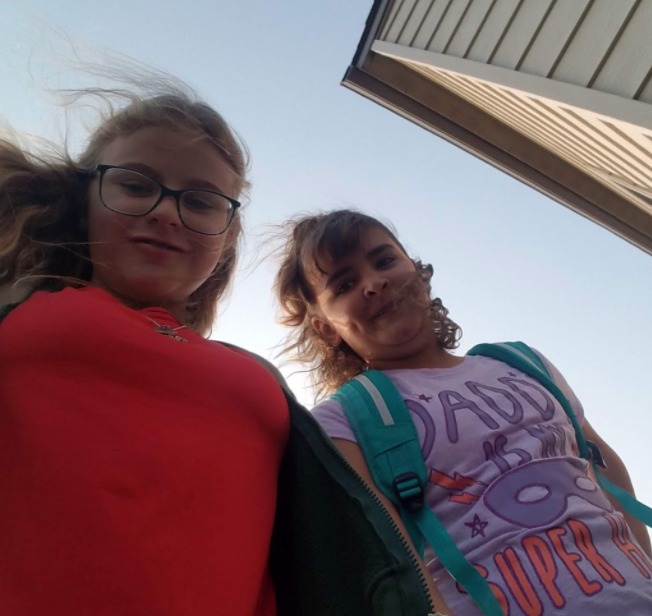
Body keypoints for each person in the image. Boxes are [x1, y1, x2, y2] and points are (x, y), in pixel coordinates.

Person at [0, 83, 446, 615]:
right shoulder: (26, 308)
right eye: (136, 185)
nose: (167, 213)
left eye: (201, 201)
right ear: (84, 199)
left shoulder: (253, 372)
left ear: (225, 239)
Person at [274, 208, 652, 616]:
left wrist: (645, 584)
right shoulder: (343, 421)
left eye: (384, 260)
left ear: (416, 270)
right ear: (325, 328)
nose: (374, 282)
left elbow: (606, 469)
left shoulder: (521, 361)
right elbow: (394, 563)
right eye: (345, 284)